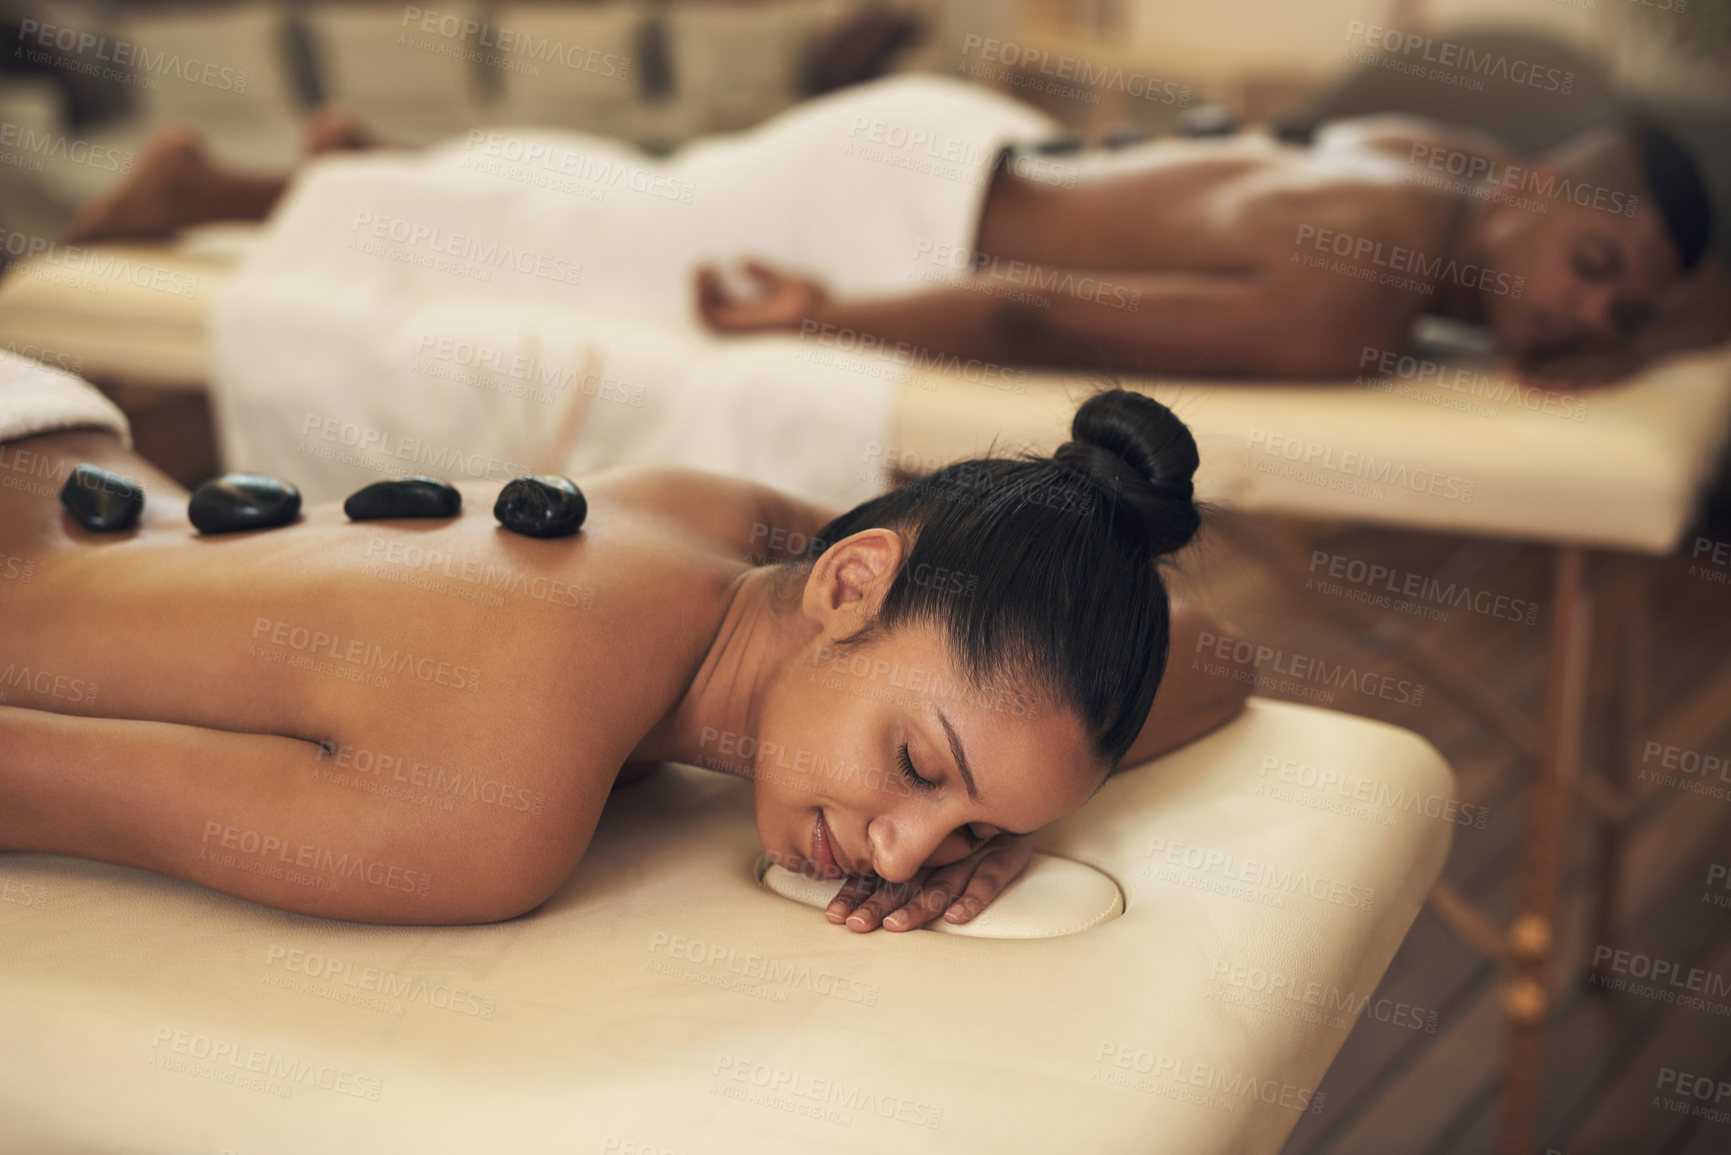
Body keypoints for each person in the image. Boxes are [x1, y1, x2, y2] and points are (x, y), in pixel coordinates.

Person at [0, 370, 1249, 931]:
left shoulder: (726, 530)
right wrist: (987, 800)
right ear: (852, 584)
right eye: (919, 769)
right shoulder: (495, 811)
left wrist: (1006, 809)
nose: (900, 857)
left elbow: (1214, 649)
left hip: (63, 443)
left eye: (965, 831)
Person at [62, 76, 1724, 385]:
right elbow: (1037, 324)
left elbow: (1458, 281)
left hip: (956, 152)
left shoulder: (1431, 159)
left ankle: (373, 151)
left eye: (1622, 316)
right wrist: (820, 326)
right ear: (1529, 196)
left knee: (629, 208)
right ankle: (205, 189)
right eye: (1595, 272)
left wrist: (1549, 333)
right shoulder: (1345, 309)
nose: (1590, 322)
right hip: (915, 224)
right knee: (589, 251)